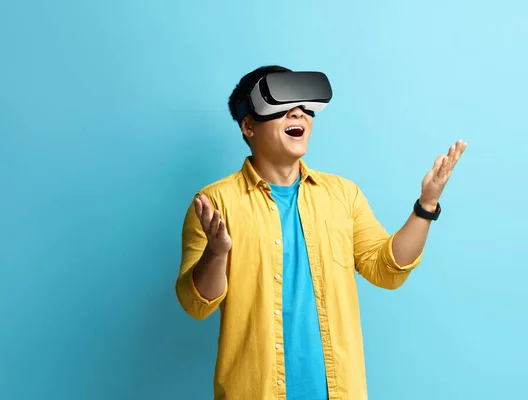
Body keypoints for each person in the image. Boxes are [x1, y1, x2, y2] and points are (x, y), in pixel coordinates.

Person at [175, 65, 467, 400]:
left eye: (303, 106)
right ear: (248, 125)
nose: (297, 112)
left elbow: (387, 270)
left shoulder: (343, 195)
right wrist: (216, 252)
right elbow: (195, 304)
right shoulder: (213, 204)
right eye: (281, 106)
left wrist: (426, 205)